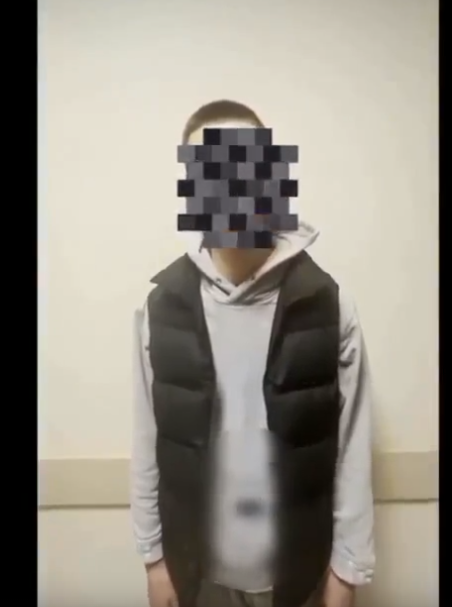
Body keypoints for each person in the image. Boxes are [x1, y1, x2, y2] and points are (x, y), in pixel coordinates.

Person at [130, 100, 376, 607]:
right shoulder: (159, 308)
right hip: (196, 576)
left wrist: (347, 571)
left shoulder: (329, 304)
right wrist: (154, 561)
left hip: (301, 576)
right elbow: (147, 439)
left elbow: (353, 445)